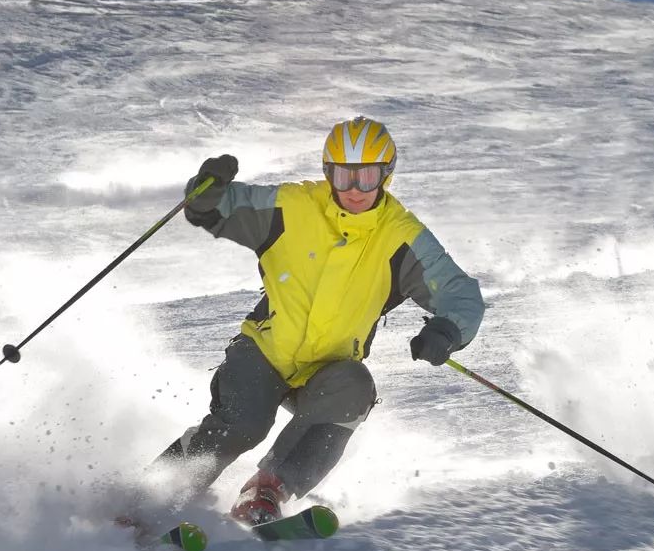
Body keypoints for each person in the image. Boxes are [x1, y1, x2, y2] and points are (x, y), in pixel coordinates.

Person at [153, 116, 485, 525]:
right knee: (244, 423)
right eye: (344, 177)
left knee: (354, 390)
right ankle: (155, 493)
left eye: (367, 177)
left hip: (327, 370)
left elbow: (460, 293)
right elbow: (223, 207)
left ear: (386, 175)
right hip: (265, 350)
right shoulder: (293, 206)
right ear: (328, 172)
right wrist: (206, 193)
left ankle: (267, 490)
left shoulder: (400, 235)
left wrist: (446, 330)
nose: (355, 190)